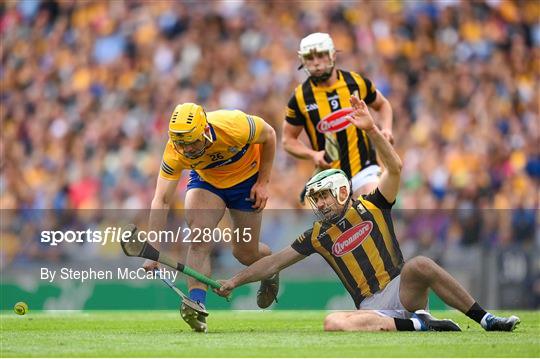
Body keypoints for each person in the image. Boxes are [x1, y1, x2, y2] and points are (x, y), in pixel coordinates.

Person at [215, 95, 521, 332]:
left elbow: (395, 168)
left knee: (420, 264)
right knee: (333, 323)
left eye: (324, 197)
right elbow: (272, 262)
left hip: (403, 291)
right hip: (372, 310)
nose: (320, 204)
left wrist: (372, 129)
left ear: (343, 192)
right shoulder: (317, 235)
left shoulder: (374, 204)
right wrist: (234, 280)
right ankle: (418, 324)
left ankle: (486, 319)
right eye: (316, 199)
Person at [143, 103, 279, 332]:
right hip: (207, 183)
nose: (186, 150)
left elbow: (270, 135)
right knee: (198, 238)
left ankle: (271, 268)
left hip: (246, 180)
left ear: (205, 129)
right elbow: (161, 199)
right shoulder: (174, 150)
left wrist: (263, 182)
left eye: (192, 143)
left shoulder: (233, 125)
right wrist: (153, 249)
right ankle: (197, 305)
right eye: (181, 144)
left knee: (246, 254)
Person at [282, 32, 394, 199]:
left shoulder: (355, 82)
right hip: (331, 179)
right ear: (303, 61)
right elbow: (288, 140)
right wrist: (313, 155)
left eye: (321, 56)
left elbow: (382, 104)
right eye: (310, 58)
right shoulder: (300, 98)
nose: (316, 63)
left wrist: (386, 128)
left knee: (372, 206)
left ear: (333, 55)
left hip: (364, 167)